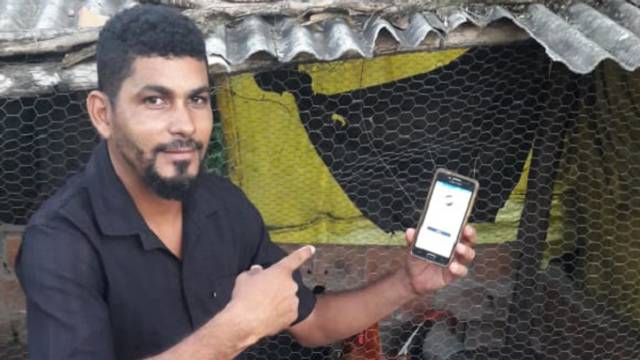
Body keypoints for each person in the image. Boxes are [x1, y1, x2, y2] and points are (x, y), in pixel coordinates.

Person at [15, 5, 476, 360]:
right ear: (103, 113)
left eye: (197, 99)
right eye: (155, 100)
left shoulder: (223, 206)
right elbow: (244, 326)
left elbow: (312, 324)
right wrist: (238, 327)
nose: (185, 125)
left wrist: (408, 282)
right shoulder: (59, 240)